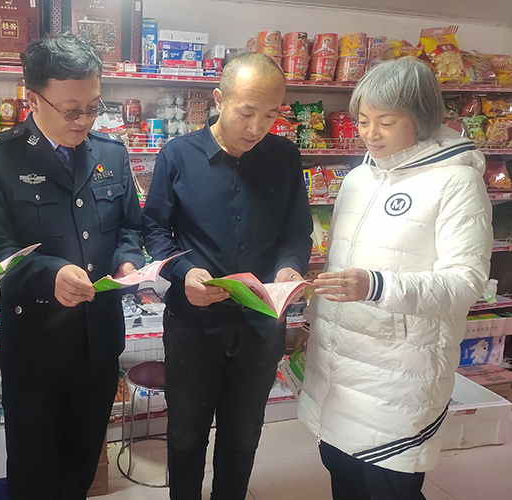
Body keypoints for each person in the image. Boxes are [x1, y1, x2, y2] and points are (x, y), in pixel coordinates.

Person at [298, 57, 493, 500]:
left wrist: (377, 285)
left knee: (388, 487)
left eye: (386, 122)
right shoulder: (357, 179)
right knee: (343, 476)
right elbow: (341, 266)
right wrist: (312, 304)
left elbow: (465, 282)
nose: (371, 133)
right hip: (337, 372)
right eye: (363, 120)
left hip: (400, 377)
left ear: (421, 119)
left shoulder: (456, 183)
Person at [0, 33, 144, 499]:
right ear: (33, 99)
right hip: (35, 346)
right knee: (35, 470)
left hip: (99, 341)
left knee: (82, 463)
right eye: (70, 110)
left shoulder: (111, 152)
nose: (84, 121)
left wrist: (128, 263)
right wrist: (50, 274)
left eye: (93, 108)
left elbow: (130, 227)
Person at [142, 53, 313, 499]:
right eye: (247, 112)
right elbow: (155, 230)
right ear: (220, 99)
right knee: (185, 434)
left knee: (243, 434)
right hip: (194, 323)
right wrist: (183, 272)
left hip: (260, 323)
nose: (257, 128)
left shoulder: (284, 156)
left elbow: (297, 231)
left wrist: (290, 266)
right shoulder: (178, 155)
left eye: (270, 115)